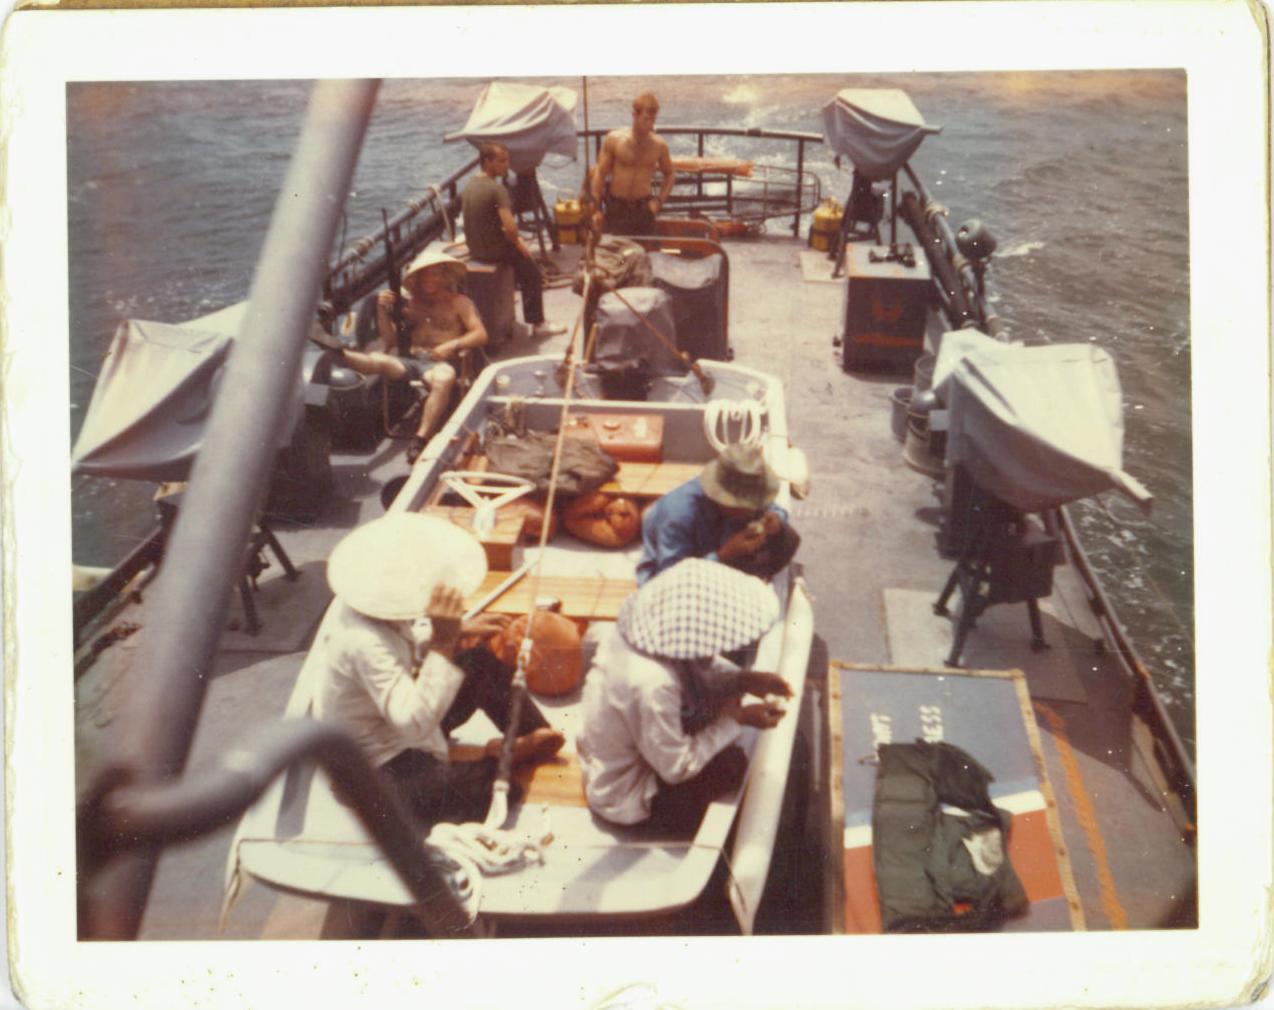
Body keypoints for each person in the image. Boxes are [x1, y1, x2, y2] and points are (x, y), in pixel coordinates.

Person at [312, 513, 565, 828]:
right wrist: (445, 641)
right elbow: (413, 725)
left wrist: (457, 630)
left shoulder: (372, 610)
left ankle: (529, 734)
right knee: (498, 791)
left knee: (478, 662)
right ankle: (496, 759)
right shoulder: (361, 641)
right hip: (376, 767)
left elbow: (403, 638)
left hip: (397, 724)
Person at [577, 559, 792, 831]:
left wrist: (742, 680)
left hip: (612, 754)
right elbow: (677, 768)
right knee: (731, 766)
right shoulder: (653, 685)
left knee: (710, 720)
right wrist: (736, 719)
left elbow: (695, 664)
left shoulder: (637, 635)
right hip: (624, 795)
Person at [313, 249, 487, 463]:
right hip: (411, 360)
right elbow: (391, 340)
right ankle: (336, 349)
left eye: (435, 273)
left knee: (443, 378)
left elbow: (480, 334)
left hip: (441, 362)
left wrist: (454, 344)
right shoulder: (409, 304)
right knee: (377, 360)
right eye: (425, 274)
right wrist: (382, 311)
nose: (430, 279)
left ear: (444, 276)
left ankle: (420, 440)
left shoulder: (460, 302)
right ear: (417, 278)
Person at [635, 443, 798, 586]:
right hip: (674, 574)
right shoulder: (677, 515)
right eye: (746, 506)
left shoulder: (749, 490)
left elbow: (774, 509)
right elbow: (672, 578)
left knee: (788, 537)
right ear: (722, 498)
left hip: (718, 552)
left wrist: (776, 519)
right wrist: (724, 555)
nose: (753, 511)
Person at [460, 142, 566, 343]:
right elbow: (510, 228)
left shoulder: (470, 186)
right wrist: (519, 244)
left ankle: (513, 299)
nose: (507, 165)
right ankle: (538, 323)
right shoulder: (497, 190)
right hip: (494, 251)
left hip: (476, 250)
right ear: (487, 162)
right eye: (502, 161)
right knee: (532, 272)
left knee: (517, 259)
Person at [591, 92, 675, 237]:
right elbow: (600, 173)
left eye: (653, 120)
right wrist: (596, 209)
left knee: (645, 253)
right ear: (634, 115)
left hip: (644, 209)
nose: (650, 125)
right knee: (615, 254)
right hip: (617, 208)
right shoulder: (614, 139)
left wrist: (658, 202)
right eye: (646, 119)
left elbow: (670, 175)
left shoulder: (659, 146)